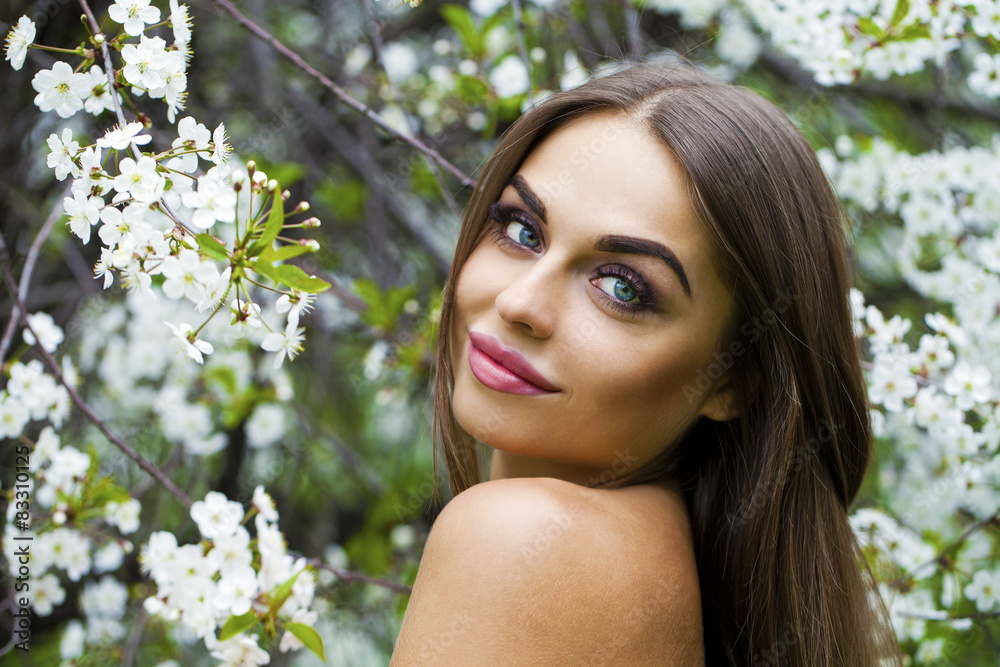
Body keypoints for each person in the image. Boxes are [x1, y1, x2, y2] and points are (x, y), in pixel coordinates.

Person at [390, 61, 899, 666]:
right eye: (522, 230)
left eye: (622, 288)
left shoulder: (520, 541)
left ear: (736, 378)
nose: (519, 303)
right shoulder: (673, 575)